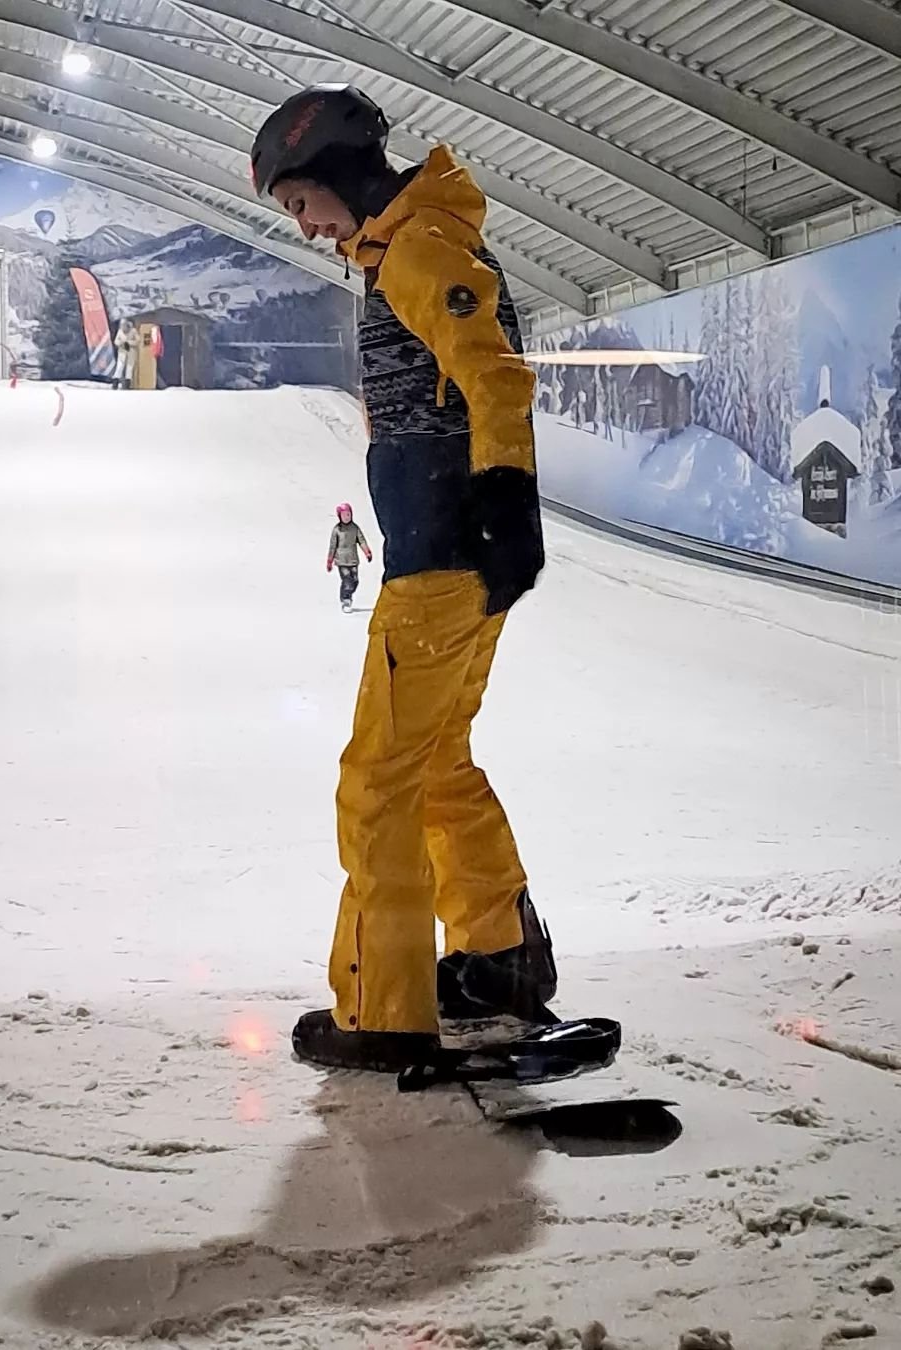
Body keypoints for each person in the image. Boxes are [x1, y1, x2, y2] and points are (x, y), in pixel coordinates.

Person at [251, 84, 554, 1073]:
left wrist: (506, 491)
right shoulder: (403, 250)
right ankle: (497, 959)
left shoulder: (420, 248)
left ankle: (386, 1008)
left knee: (376, 782)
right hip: (456, 550)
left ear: (338, 169)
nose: (305, 222)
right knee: (435, 766)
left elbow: (494, 370)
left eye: (301, 199)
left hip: (442, 557)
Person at [327, 502, 372, 612]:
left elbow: (361, 541)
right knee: (347, 580)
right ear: (339, 516)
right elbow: (332, 546)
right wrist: (330, 560)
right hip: (341, 560)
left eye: (348, 514)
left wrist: (367, 552)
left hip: (353, 560)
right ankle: (345, 600)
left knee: (355, 581)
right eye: (344, 515)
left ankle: (347, 594)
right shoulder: (337, 530)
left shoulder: (355, 528)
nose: (347, 517)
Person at [112, 318, 138, 390]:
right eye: (121, 325)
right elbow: (116, 341)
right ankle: (115, 384)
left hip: (131, 352)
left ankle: (127, 385)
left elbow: (138, 340)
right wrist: (120, 343)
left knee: (129, 368)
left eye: (124, 325)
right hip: (122, 352)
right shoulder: (120, 331)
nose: (123, 327)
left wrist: (129, 343)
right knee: (119, 367)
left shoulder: (133, 331)